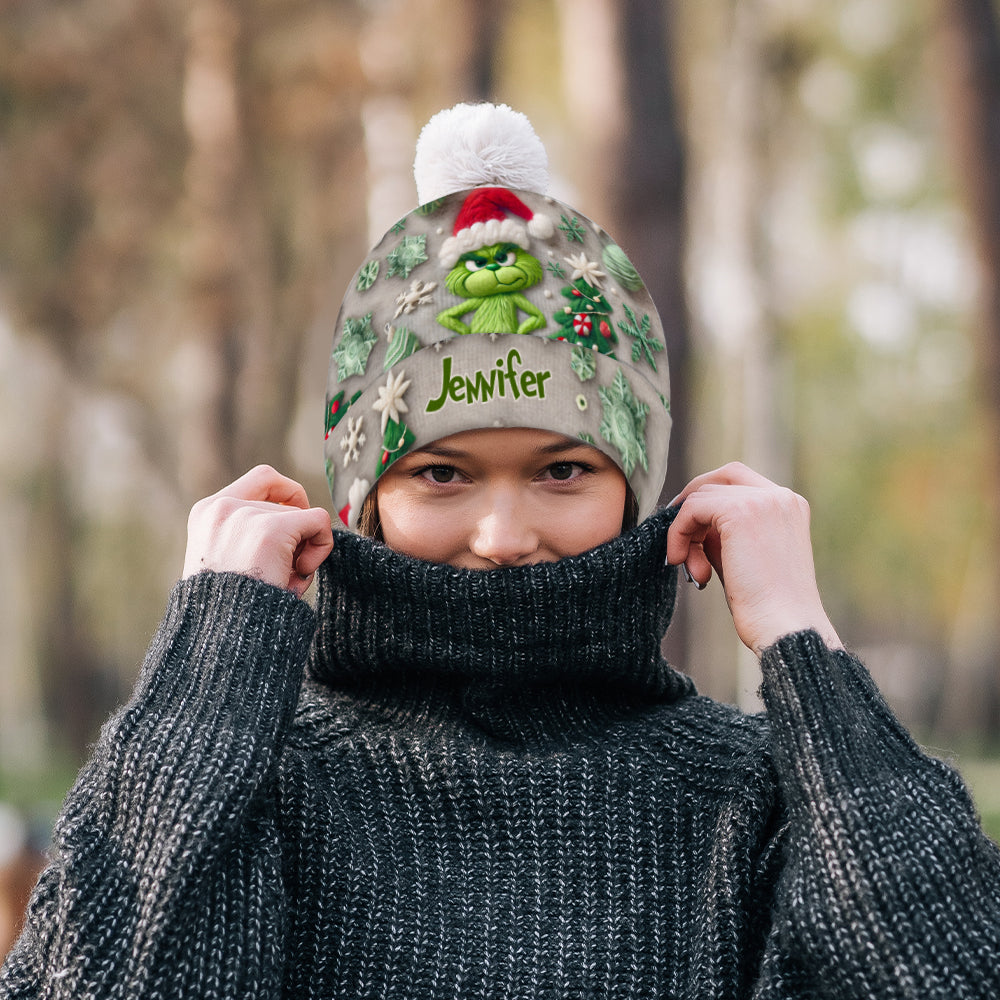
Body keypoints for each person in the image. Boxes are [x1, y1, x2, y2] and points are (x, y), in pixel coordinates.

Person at [2, 103, 998, 1000]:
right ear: (363, 500)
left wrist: (803, 646)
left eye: (562, 469)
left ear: (633, 488)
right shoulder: (260, 784)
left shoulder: (748, 798)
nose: (505, 534)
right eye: (441, 473)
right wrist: (201, 685)